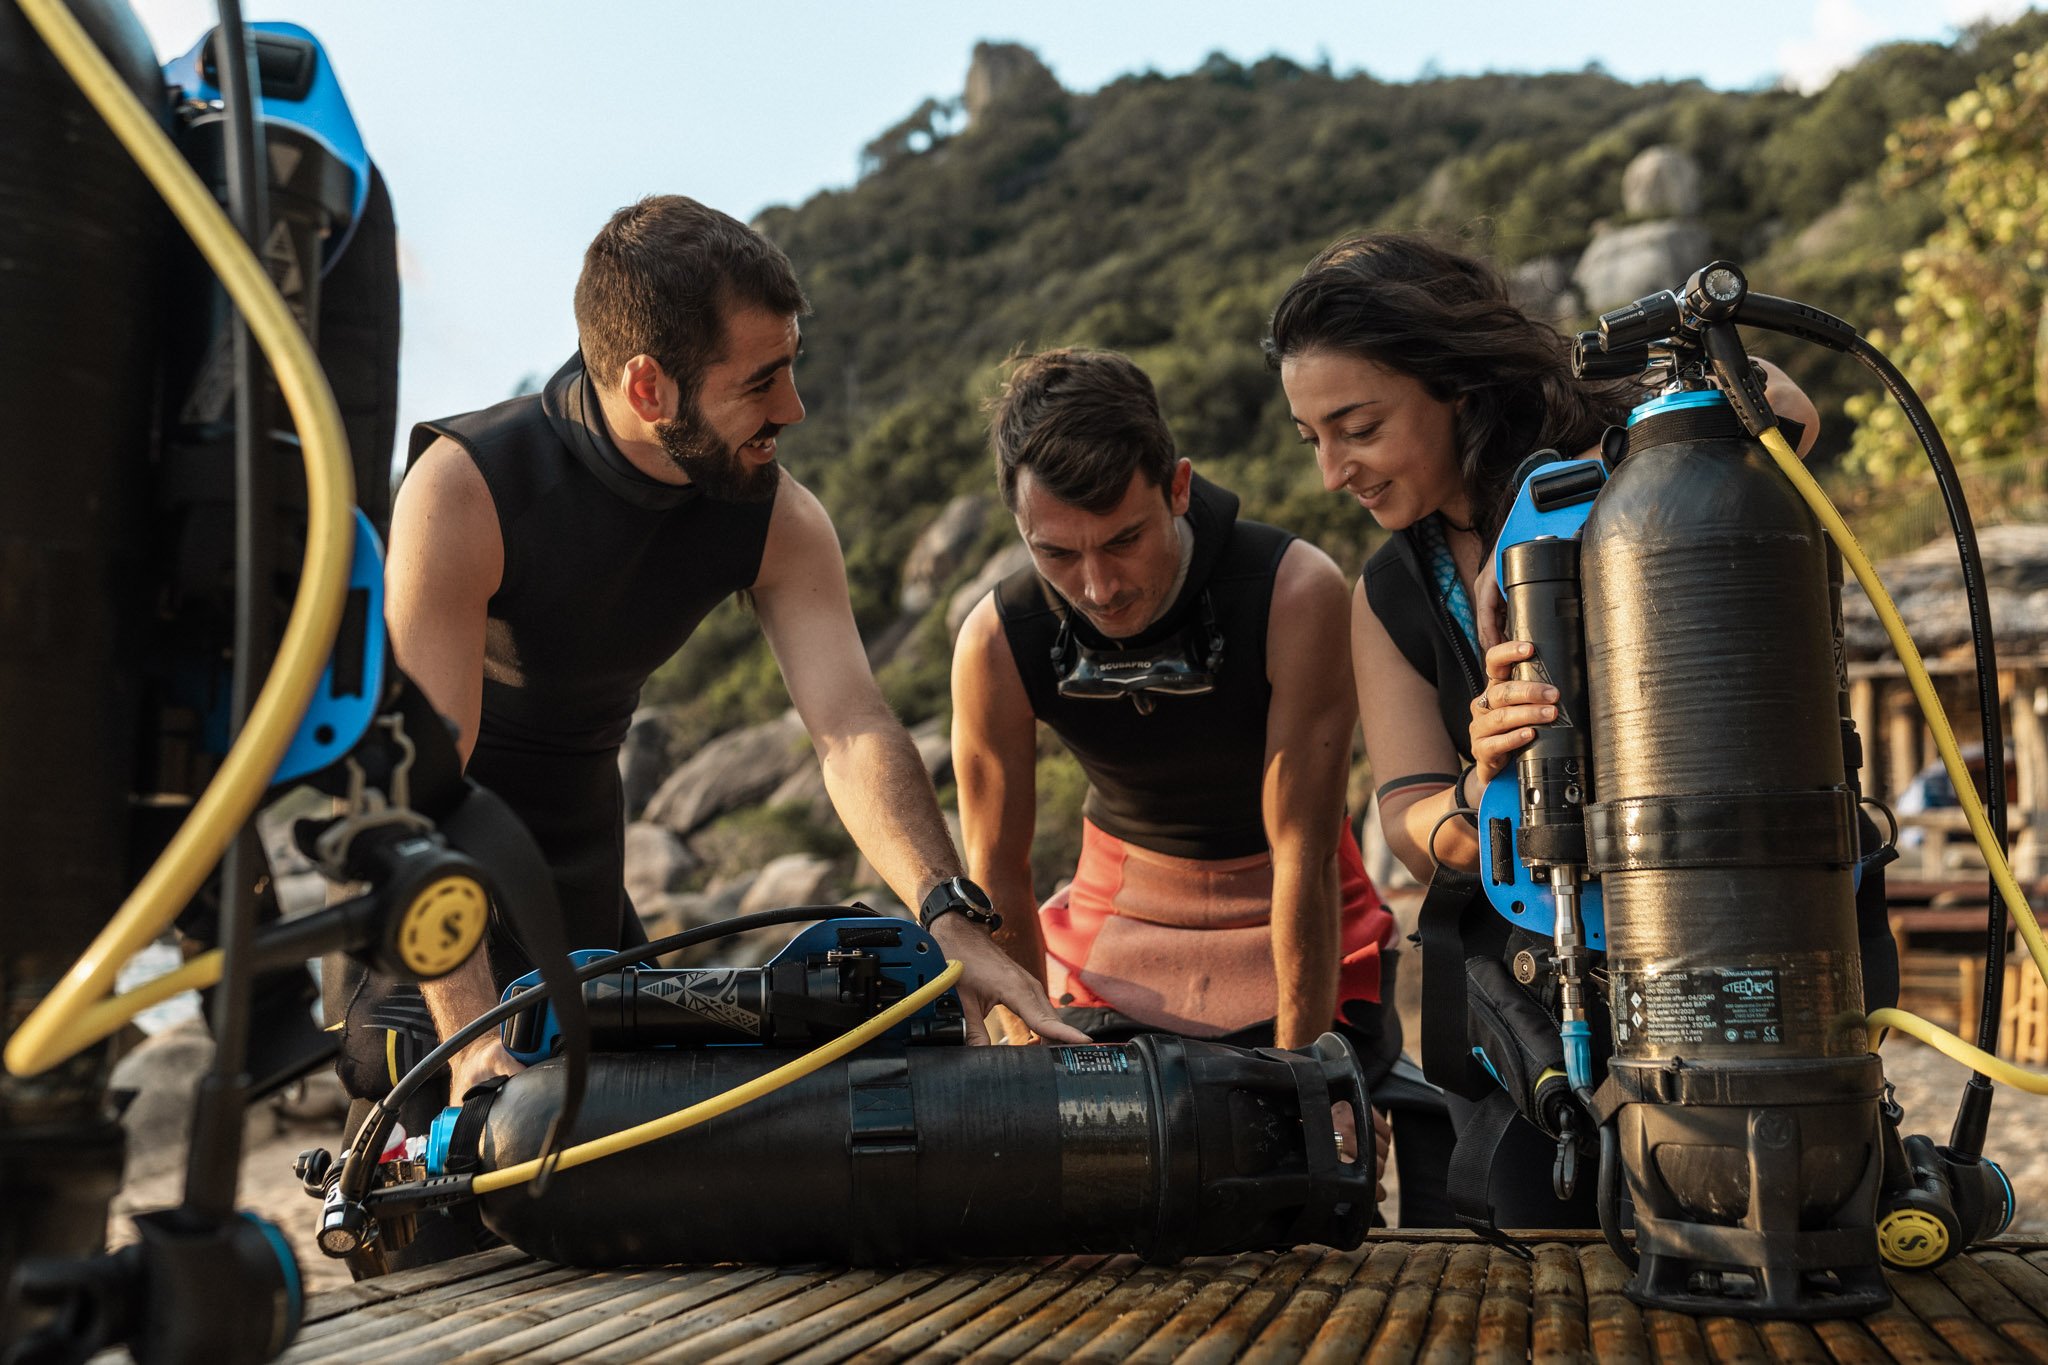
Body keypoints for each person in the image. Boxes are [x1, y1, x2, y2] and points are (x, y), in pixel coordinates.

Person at [348, 197, 1087, 1266]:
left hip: (592, 926)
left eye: (790, 364)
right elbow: (428, 785)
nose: (792, 404)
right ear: (649, 386)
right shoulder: (465, 491)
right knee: (447, 1292)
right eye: (758, 381)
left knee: (662, 1264)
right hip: (438, 942)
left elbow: (849, 729)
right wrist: (471, 1043)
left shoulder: (771, 514)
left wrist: (951, 923)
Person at [1263, 232, 1894, 1232]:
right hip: (1529, 968)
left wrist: (1559, 518)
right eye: (1314, 440)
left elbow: (1779, 403)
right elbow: (1404, 816)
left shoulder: (1627, 444)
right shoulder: (1385, 590)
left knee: (1774, 1211)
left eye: (1358, 428)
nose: (1335, 471)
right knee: (1527, 1236)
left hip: (1737, 913)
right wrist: (1479, 785)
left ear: (1455, 386)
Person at [950, 347, 1407, 1207]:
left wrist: (1306, 1084)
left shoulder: (1293, 589)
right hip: (1121, 909)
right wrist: (1029, 1056)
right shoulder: (997, 640)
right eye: (1056, 552)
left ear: (1180, 488)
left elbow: (1303, 849)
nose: (1098, 586)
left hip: (1289, 895)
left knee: (1295, 1162)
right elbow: (998, 872)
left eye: (1125, 539)